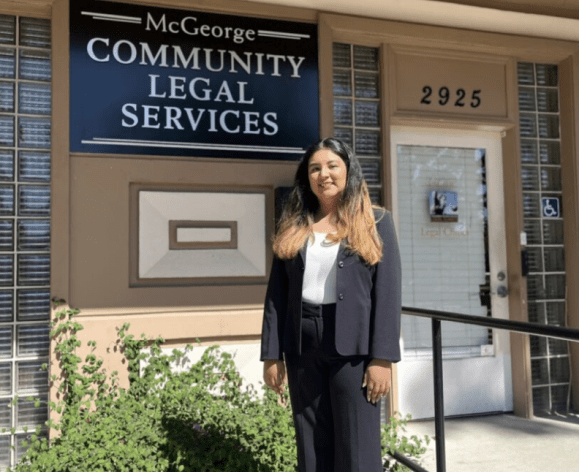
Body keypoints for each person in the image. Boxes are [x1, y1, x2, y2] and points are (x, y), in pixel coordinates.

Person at [260, 137, 402, 472]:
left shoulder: (377, 222)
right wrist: (271, 354)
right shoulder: (294, 225)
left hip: (353, 349)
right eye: (315, 168)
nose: (324, 174)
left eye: (332, 165)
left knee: (357, 446)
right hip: (302, 346)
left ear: (348, 170)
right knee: (310, 446)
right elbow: (276, 294)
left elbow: (388, 292)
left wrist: (382, 358)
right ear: (306, 177)